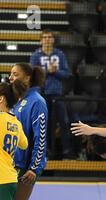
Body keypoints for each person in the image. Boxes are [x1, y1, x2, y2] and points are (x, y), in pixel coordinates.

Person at [8, 62, 48, 200]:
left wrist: (34, 167)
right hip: (10, 166)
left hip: (25, 168)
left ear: (28, 78)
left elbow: (40, 137)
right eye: (10, 74)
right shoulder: (17, 101)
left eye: (15, 74)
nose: (11, 78)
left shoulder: (37, 102)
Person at [30, 29, 75, 160]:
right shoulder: (36, 55)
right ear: (41, 40)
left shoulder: (59, 54)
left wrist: (55, 71)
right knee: (43, 125)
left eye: (49, 37)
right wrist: (47, 71)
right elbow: (33, 74)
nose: (47, 40)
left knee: (64, 122)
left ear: (53, 40)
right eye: (44, 37)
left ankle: (67, 151)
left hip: (57, 94)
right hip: (41, 95)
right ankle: (45, 152)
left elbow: (66, 74)